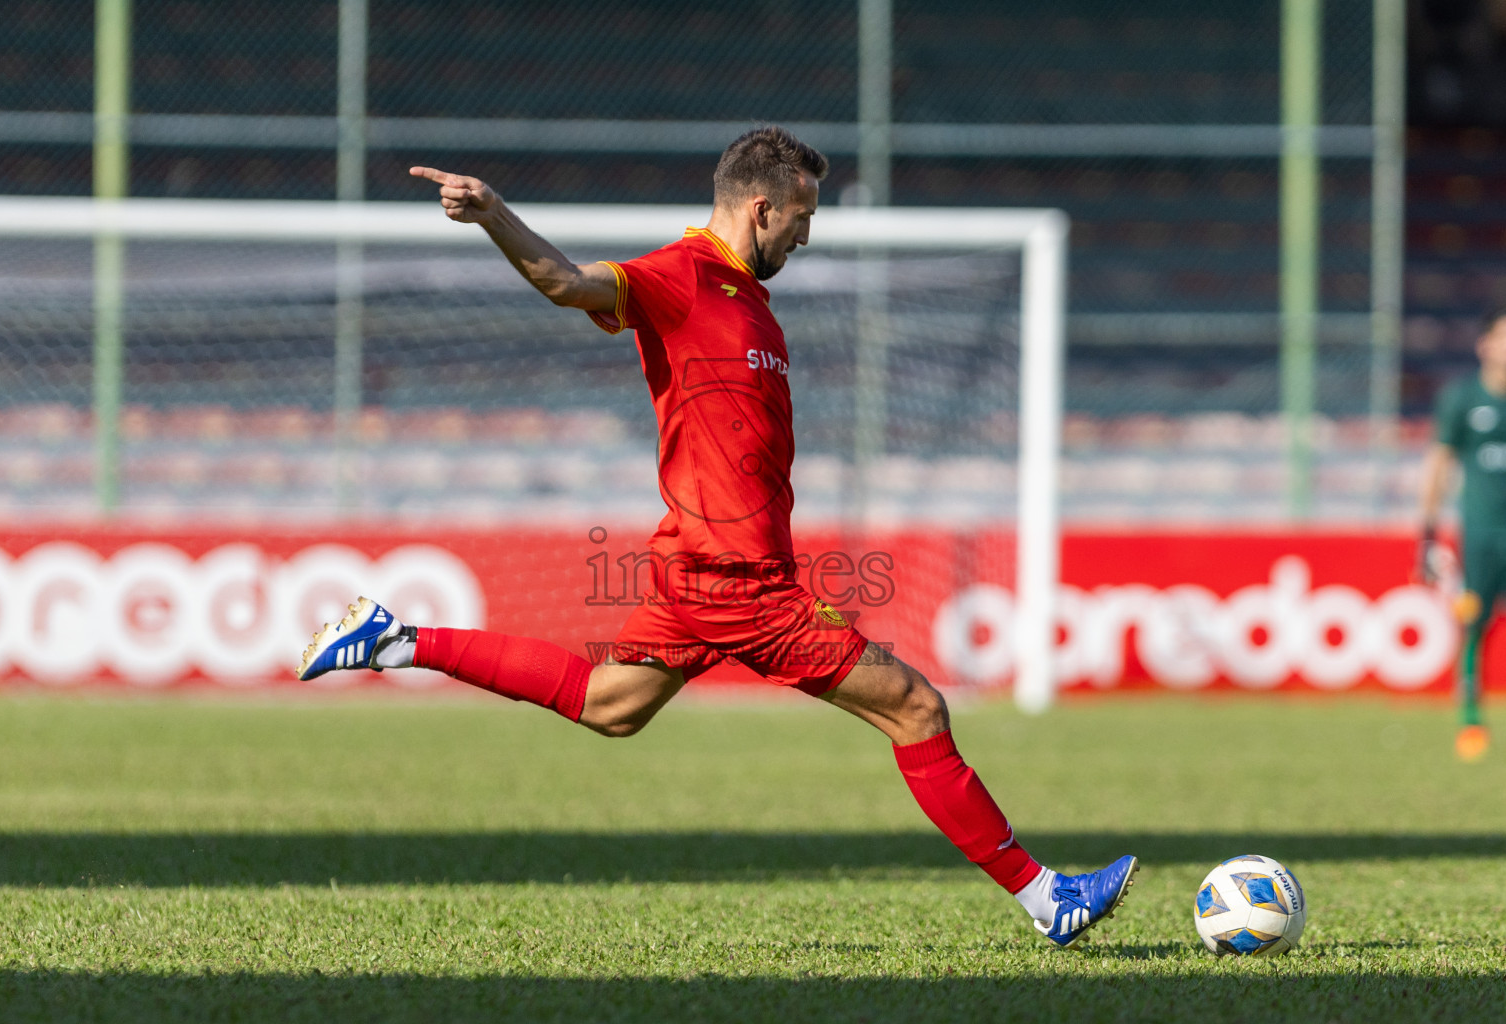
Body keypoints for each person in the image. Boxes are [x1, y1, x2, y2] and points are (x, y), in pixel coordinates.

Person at [297, 126, 1136, 945]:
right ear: (762, 207)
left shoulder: (753, 306)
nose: (808, 236)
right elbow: (565, 281)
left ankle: (396, 640)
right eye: (802, 218)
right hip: (738, 582)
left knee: (609, 704)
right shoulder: (681, 276)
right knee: (916, 707)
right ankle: (1044, 896)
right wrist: (494, 214)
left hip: (701, 570)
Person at [1421, 307, 1506, 762]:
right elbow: (1439, 462)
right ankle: (1471, 719)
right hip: (1482, 535)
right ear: (1486, 346)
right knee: (1475, 622)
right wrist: (1428, 531)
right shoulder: (1462, 399)